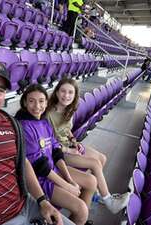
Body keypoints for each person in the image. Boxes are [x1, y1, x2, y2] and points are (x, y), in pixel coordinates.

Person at [0, 59, 74, 225]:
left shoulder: (10, 123)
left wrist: (42, 201)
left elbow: (23, 163)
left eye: (0, 89)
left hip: (26, 206)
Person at [46, 78, 130, 214]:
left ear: (74, 95)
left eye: (70, 93)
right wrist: (70, 150)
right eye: (63, 91)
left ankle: (97, 194)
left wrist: (74, 141)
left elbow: (67, 131)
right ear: (56, 92)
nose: (66, 96)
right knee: (95, 164)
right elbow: (48, 144)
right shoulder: (49, 114)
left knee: (102, 158)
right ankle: (109, 201)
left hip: (69, 146)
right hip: (58, 153)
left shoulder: (69, 110)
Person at [15, 84, 95, 225]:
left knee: (91, 182)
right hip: (40, 179)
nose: (36, 106)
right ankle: (79, 218)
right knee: (82, 209)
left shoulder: (44, 122)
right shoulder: (25, 126)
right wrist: (66, 185)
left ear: (46, 103)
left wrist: (69, 178)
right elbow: (39, 167)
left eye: (41, 101)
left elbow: (56, 152)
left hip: (53, 170)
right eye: (31, 101)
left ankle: (77, 221)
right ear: (25, 103)